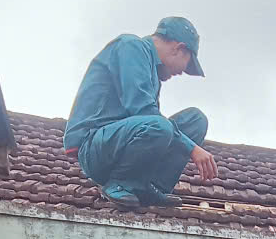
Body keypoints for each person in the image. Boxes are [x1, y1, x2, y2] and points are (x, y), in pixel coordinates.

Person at [64, 16, 217, 209]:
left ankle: (148, 187)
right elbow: (143, 111)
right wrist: (192, 148)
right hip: (95, 148)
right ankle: (120, 183)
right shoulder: (131, 47)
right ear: (179, 48)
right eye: (187, 64)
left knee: (195, 120)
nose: (182, 72)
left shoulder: (153, 74)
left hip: (121, 142)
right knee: (158, 126)